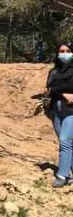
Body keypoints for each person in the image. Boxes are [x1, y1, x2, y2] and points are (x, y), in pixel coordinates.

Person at [46, 42, 73, 188]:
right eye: (61, 51)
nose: (64, 53)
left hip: (71, 111)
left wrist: (58, 88)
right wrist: (63, 91)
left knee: (64, 141)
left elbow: (57, 86)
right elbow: (50, 88)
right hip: (56, 110)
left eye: (67, 51)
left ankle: (62, 175)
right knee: (68, 144)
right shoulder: (53, 71)